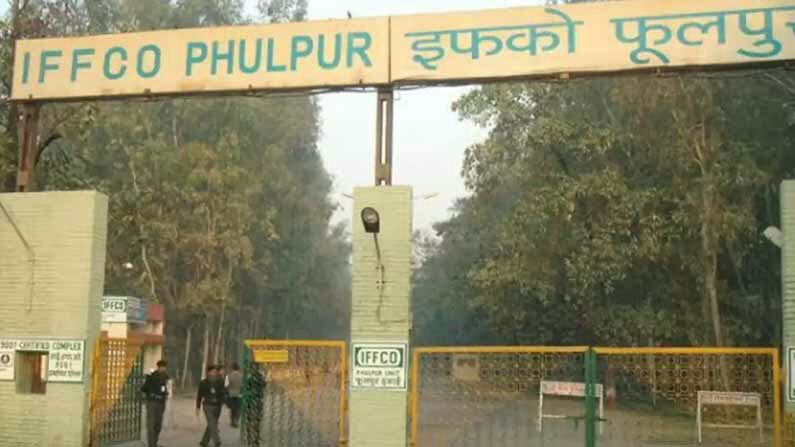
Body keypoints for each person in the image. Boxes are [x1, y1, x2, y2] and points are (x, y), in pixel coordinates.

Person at [141, 360, 169, 447]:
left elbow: (165, 389)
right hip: (152, 402)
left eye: (165, 367)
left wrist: (165, 394)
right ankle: (151, 444)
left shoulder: (165, 377)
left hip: (161, 403)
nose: (164, 369)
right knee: (151, 424)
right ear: (159, 367)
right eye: (162, 367)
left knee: (158, 425)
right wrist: (150, 393)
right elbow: (144, 388)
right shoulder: (151, 376)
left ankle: (154, 442)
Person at [196, 365, 226, 447]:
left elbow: (223, 393)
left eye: (215, 371)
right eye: (212, 371)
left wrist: (223, 401)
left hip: (217, 405)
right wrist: (198, 407)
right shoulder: (203, 383)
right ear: (208, 372)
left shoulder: (220, 381)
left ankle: (204, 442)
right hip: (207, 405)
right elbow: (199, 395)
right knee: (212, 423)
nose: (214, 373)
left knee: (212, 423)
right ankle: (217, 440)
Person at [225, 363, 242, 428]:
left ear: (232, 368)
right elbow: (243, 385)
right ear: (239, 368)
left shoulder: (228, 376)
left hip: (231, 394)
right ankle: (236, 420)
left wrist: (227, 393)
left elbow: (226, 385)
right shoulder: (242, 376)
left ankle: (232, 420)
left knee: (232, 408)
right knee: (238, 408)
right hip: (239, 394)